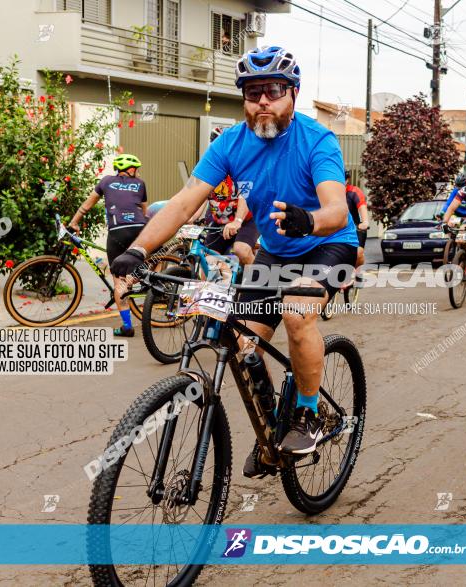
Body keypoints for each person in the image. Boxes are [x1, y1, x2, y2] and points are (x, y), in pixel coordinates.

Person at [109, 46, 358, 472]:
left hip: (327, 242)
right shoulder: (230, 144)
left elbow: (337, 210)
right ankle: (271, 431)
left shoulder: (317, 140)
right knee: (244, 343)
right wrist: (138, 251)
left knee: (297, 314)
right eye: (253, 91)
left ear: (293, 94)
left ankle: (307, 414)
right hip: (275, 252)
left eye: (274, 90)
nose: (263, 100)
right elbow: (186, 202)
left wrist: (307, 219)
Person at [69, 154, 148, 337]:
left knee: (118, 282)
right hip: (139, 230)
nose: (137, 172)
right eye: (136, 169)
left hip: (118, 232)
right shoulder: (140, 183)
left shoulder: (105, 181)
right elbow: (145, 212)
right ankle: (138, 277)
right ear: (131, 169)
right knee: (142, 258)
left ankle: (127, 326)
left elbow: (86, 206)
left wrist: (74, 223)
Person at [344, 169, 370, 276]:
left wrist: (365, 222)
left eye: (343, 179)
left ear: (347, 180)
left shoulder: (354, 191)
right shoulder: (329, 193)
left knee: (358, 253)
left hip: (355, 228)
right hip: (337, 229)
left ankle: (358, 274)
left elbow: (362, 207)